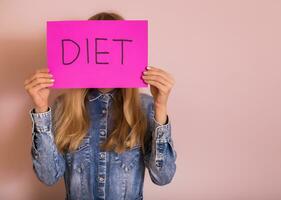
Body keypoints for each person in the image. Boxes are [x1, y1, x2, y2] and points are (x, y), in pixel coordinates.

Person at [24, 12, 177, 200]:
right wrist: (41, 110)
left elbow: (162, 177)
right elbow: (48, 177)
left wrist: (161, 106)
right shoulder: (63, 106)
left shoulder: (145, 107)